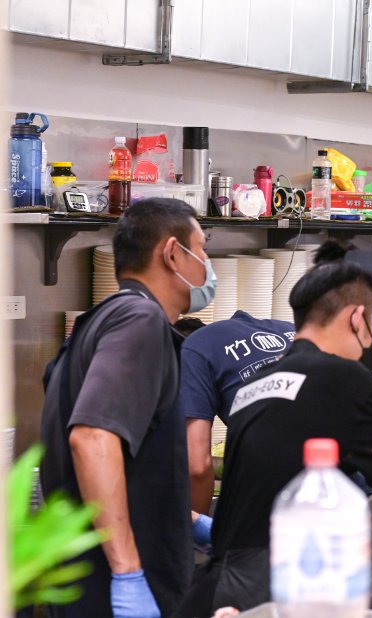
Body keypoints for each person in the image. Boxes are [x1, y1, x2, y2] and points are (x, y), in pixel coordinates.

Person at [176, 242, 372, 616]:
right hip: (281, 587)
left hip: (217, 588)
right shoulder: (342, 378)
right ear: (357, 318)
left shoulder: (259, 383)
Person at [40, 198, 216, 618]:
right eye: (203, 248)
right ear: (173, 253)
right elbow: (92, 438)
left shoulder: (100, 320)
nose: (208, 264)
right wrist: (128, 573)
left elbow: (128, 458)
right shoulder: (139, 320)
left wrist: (184, 518)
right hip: (110, 588)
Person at [178, 311, 296, 513]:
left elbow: (197, 468)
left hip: (288, 499)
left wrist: (196, 535)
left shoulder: (194, 351)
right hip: (352, 484)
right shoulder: (288, 329)